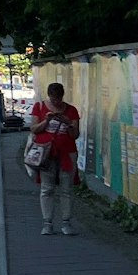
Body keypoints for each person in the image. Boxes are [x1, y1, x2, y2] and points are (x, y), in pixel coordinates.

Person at [28, 81, 81, 235]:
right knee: (47, 188)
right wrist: (47, 120)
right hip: (46, 153)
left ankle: (66, 222)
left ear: (62, 96)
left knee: (66, 189)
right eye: (53, 99)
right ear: (49, 96)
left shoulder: (71, 111)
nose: (56, 102)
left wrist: (68, 123)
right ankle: (47, 223)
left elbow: (75, 135)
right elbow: (34, 129)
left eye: (58, 99)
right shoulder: (39, 107)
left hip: (67, 153)